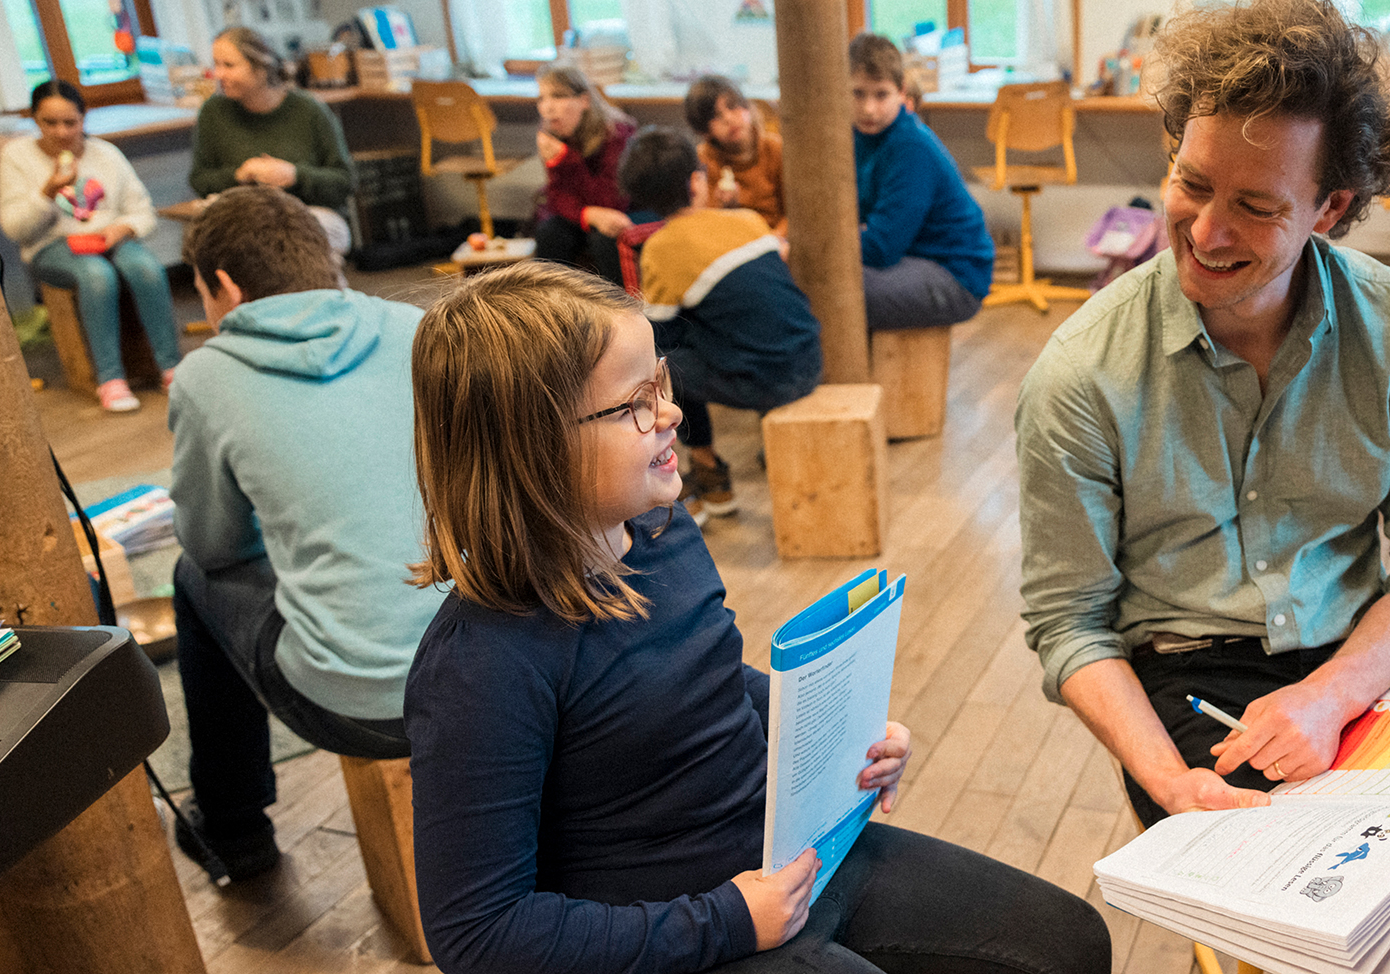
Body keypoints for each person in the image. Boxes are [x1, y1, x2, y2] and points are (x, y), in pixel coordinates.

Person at [402, 261, 1110, 974]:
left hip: (785, 862)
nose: (672, 413)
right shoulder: (481, 663)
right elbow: (477, 934)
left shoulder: (659, 527)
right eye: (634, 404)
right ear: (531, 447)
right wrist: (725, 922)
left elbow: (701, 679)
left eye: (662, 381)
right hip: (672, 932)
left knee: (1069, 941)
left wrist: (838, 729)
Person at [1013, 1, 1390, 971]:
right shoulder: (1080, 374)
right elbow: (1067, 621)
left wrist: (1329, 697)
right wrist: (1170, 785)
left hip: (1354, 657)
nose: (1204, 231)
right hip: (1186, 671)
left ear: (1329, 207)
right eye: (1190, 183)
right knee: (1303, 906)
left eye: (1254, 205)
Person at [168, 185, 445, 882]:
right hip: (492, 666)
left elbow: (214, 546)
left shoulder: (205, 376)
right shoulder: (416, 329)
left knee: (192, 578)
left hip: (357, 706)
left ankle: (236, 832)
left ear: (224, 286)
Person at [617, 126, 820, 524]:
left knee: (660, 361)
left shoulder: (660, 247)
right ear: (697, 180)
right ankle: (717, 472)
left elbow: (660, 335)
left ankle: (708, 470)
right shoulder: (747, 220)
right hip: (811, 359)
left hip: (766, 383)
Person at [0, 79, 181, 413]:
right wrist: (48, 191)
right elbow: (15, 228)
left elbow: (142, 211)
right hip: (52, 247)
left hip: (108, 239)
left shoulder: (106, 154)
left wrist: (121, 228)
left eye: (71, 122)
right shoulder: (16, 156)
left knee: (147, 269)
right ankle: (110, 379)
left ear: (85, 118)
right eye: (49, 122)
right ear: (34, 120)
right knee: (97, 276)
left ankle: (171, 368)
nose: (61, 131)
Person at [847, 35, 993, 331]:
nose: (869, 109)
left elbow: (881, 247)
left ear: (902, 93)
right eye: (858, 94)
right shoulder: (860, 136)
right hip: (914, 257)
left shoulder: (909, 146)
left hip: (955, 275)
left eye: (881, 95)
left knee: (837, 291)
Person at [189, 26, 356, 253]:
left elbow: (345, 181)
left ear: (261, 68)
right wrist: (238, 175)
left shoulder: (308, 109)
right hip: (245, 219)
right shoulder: (213, 112)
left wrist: (294, 175)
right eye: (216, 64)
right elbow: (200, 180)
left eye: (228, 65)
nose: (218, 74)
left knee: (284, 240)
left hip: (309, 214)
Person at [535, 61, 638, 284]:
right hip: (587, 213)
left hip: (629, 210)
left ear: (584, 100)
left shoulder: (616, 133)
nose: (548, 107)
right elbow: (555, 197)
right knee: (550, 232)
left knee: (606, 237)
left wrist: (566, 161)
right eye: (542, 98)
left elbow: (610, 200)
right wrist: (586, 215)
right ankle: (551, 312)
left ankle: (622, 313)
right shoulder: (552, 135)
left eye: (558, 96)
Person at [684, 75, 785, 231]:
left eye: (732, 106)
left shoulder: (775, 149)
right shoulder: (703, 160)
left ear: (747, 106)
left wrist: (773, 242)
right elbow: (702, 224)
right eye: (716, 116)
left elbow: (793, 213)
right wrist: (724, 207)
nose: (729, 119)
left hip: (775, 240)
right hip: (729, 243)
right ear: (704, 131)